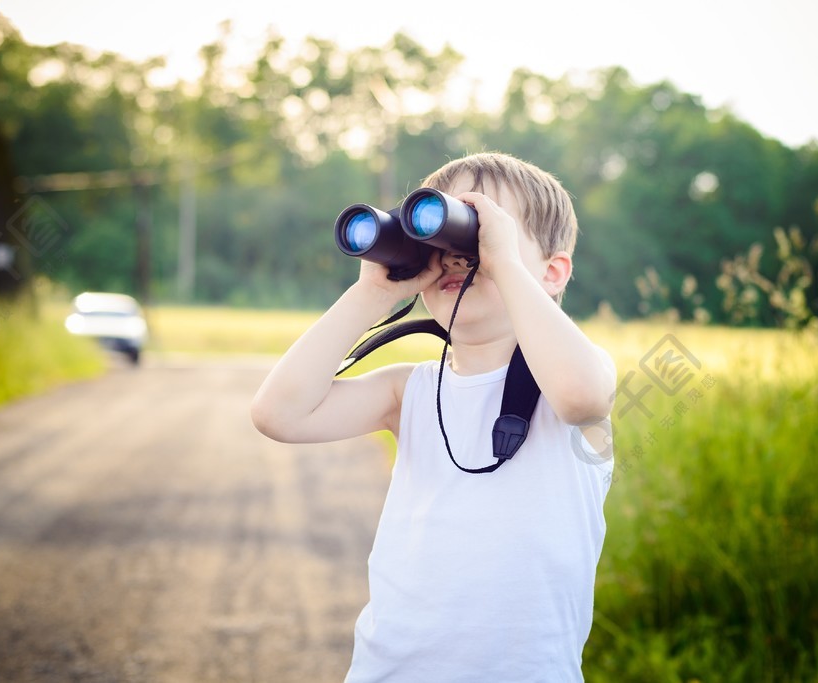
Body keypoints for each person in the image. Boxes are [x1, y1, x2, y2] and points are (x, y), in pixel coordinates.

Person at [251, 151, 616, 682]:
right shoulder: (409, 390)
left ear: (552, 272)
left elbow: (580, 395)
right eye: (438, 244)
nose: (454, 258)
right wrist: (370, 293)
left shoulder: (576, 377)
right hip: (391, 670)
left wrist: (505, 263)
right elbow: (277, 414)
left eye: (477, 236)